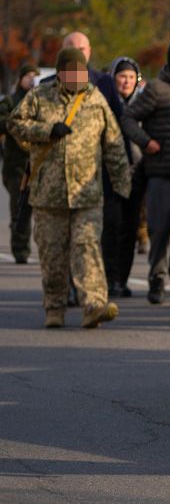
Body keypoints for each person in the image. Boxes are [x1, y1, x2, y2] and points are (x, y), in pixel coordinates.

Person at [7, 48, 131, 328]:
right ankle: (54, 306)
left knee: (86, 248)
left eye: (81, 71)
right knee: (53, 253)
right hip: (48, 195)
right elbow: (14, 123)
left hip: (87, 194)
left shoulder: (96, 100)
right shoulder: (40, 97)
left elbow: (113, 144)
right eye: (70, 71)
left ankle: (94, 305)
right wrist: (47, 130)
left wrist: (123, 184)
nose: (76, 77)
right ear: (60, 72)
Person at [120, 38, 170, 307]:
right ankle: (157, 280)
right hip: (162, 173)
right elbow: (128, 118)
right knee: (159, 231)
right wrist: (146, 142)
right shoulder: (157, 88)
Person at [101, 57, 146, 297]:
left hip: (136, 173)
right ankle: (108, 278)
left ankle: (121, 279)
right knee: (111, 226)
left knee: (130, 229)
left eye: (131, 77)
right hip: (108, 174)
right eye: (122, 76)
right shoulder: (104, 102)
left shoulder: (144, 103)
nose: (126, 81)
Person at [0, 63, 38, 264]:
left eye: (35, 76)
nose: (32, 80)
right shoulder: (10, 101)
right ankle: (20, 249)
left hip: (39, 163)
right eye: (28, 76)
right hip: (17, 166)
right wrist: (15, 123)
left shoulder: (42, 100)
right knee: (20, 208)